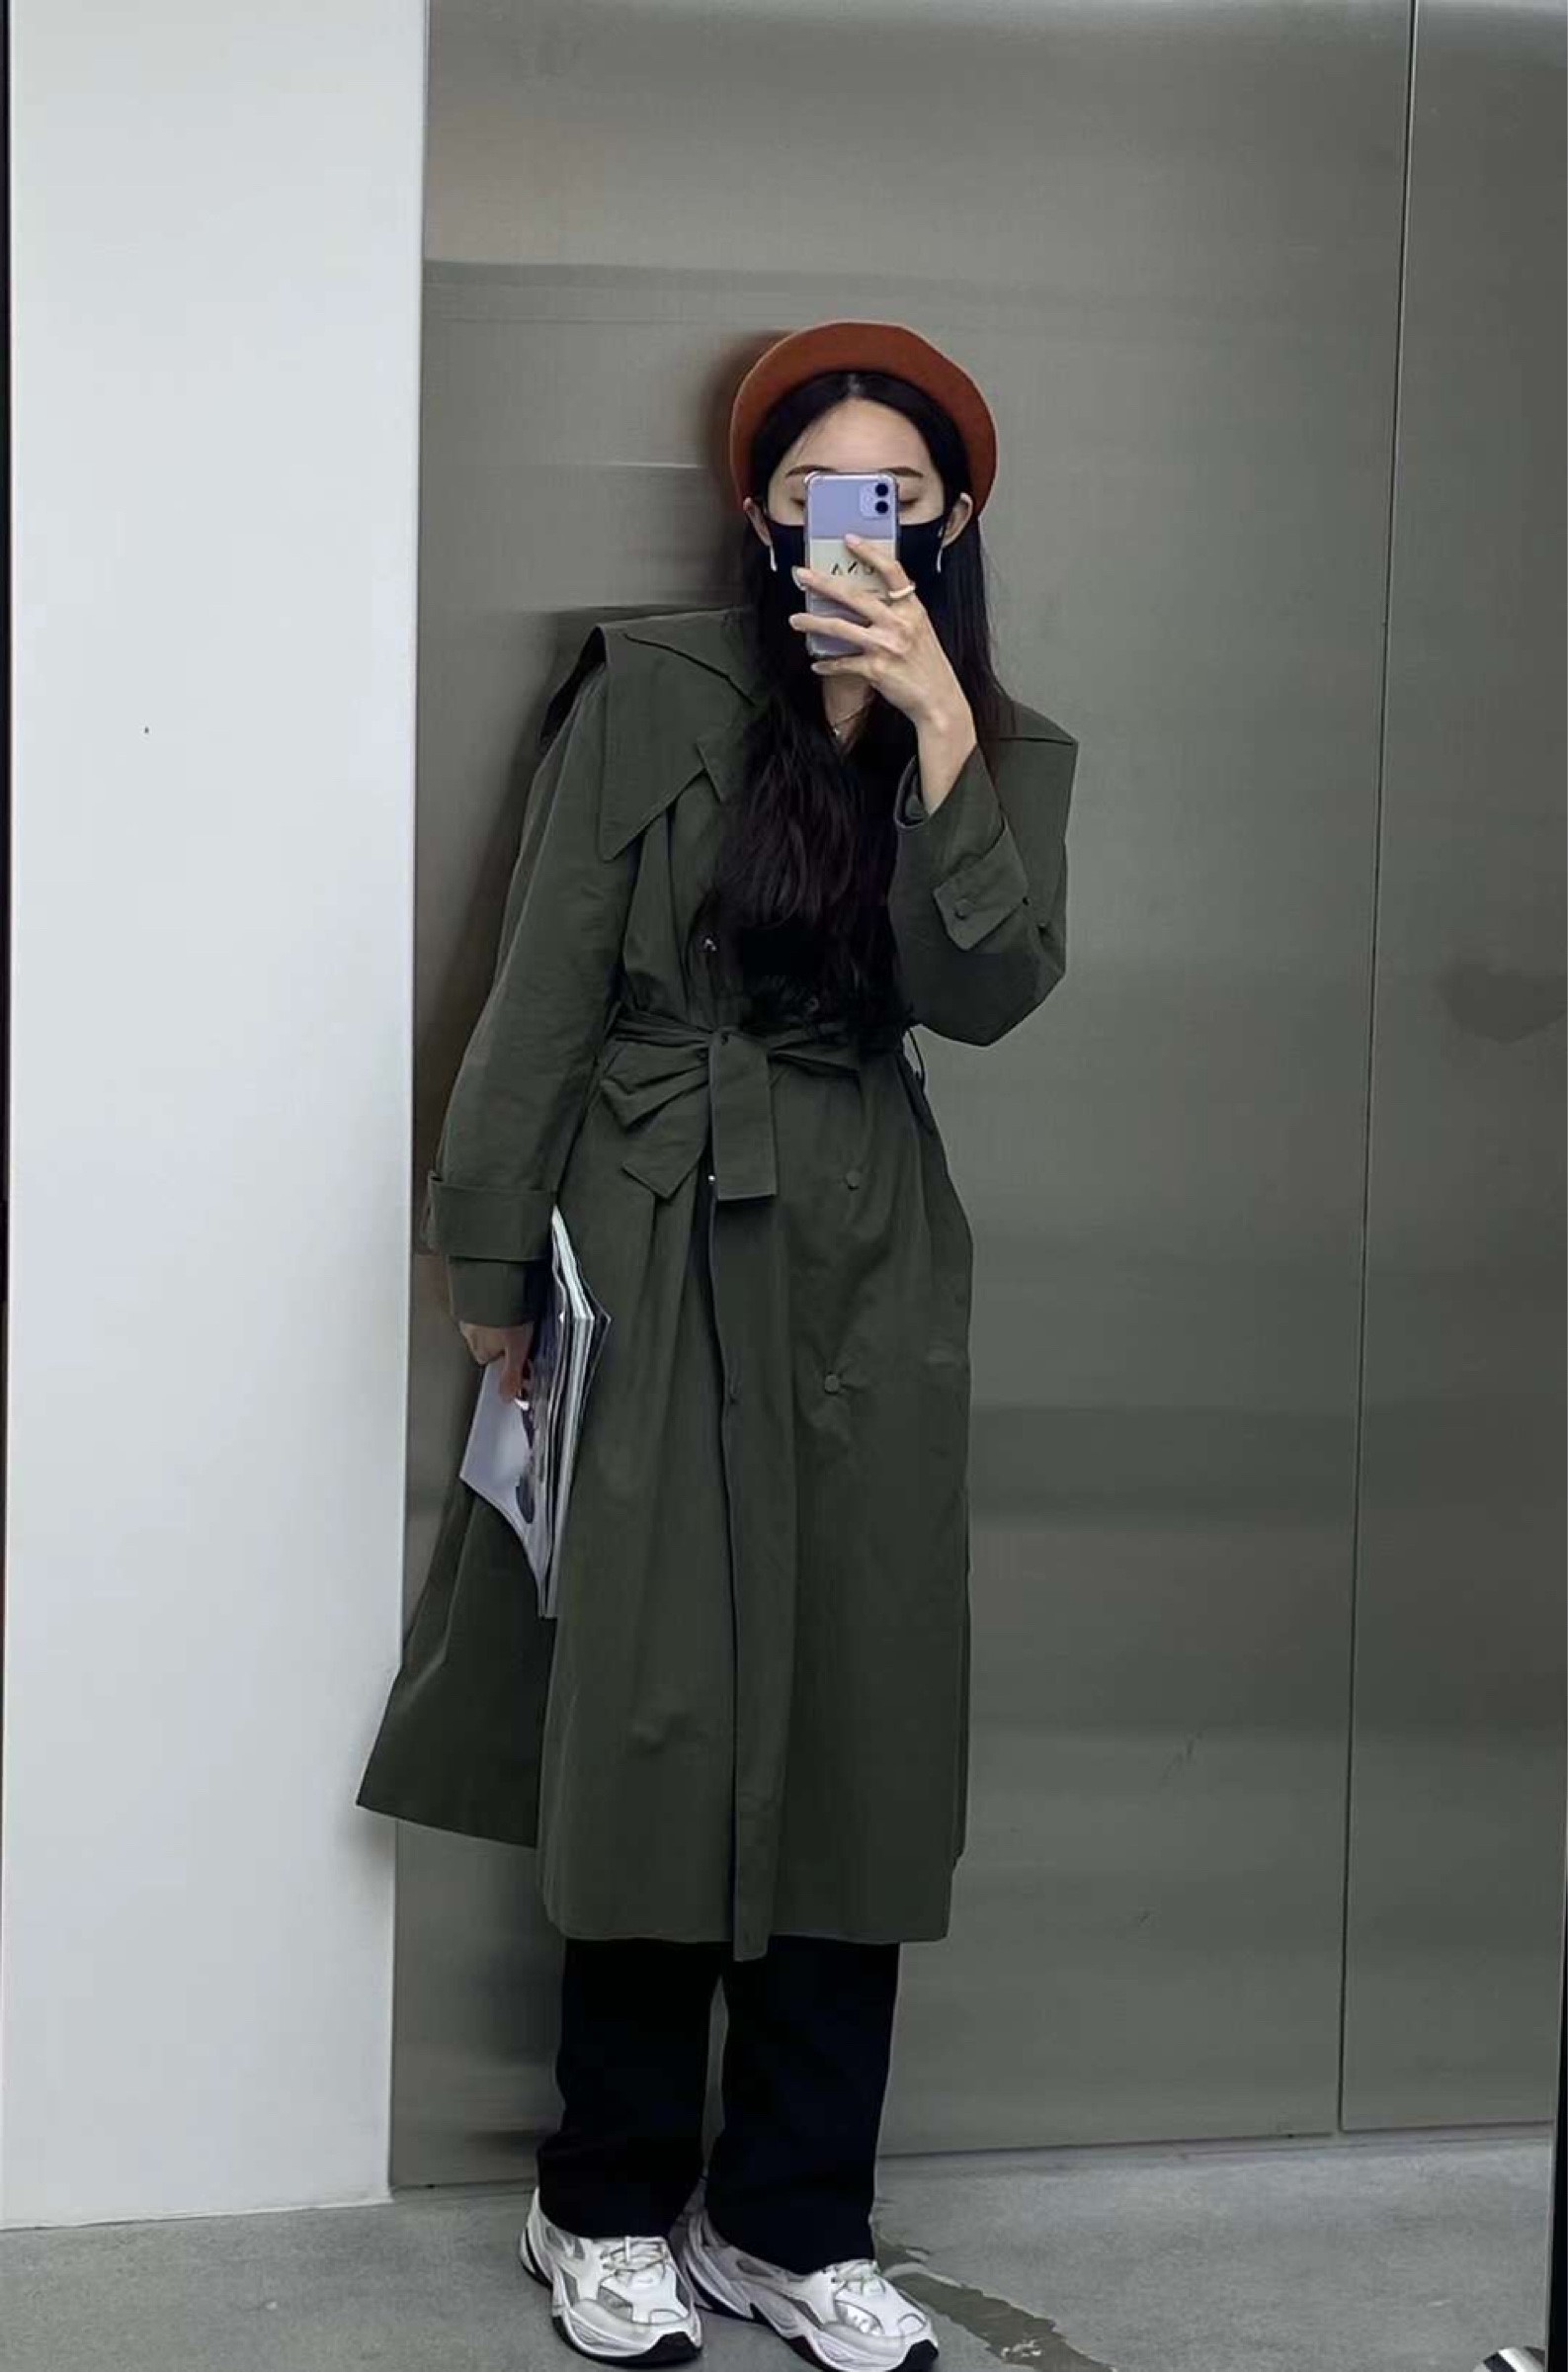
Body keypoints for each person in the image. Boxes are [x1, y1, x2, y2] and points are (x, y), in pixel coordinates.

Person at [356, 319, 1079, 2370]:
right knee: (652, 1708)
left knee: (859, 1714)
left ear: (953, 520)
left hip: (865, 1255)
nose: (854, 529)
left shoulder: (1000, 748)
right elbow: (543, 986)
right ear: (756, 515)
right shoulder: (655, 692)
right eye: (816, 493)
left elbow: (989, 991)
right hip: (651, 1221)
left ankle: (788, 2218)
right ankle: (598, 2199)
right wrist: (490, 1260)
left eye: (896, 499)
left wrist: (930, 725)